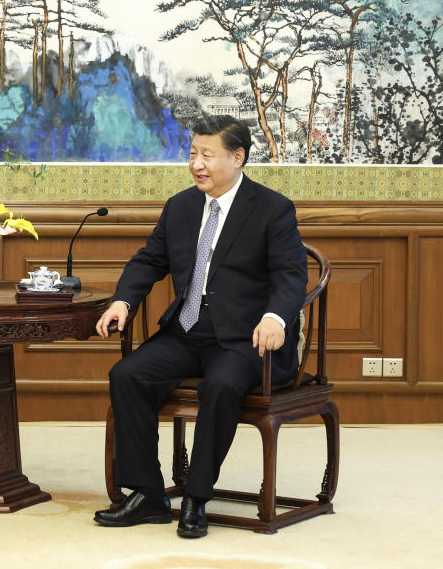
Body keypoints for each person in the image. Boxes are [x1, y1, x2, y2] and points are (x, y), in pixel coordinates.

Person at [93, 115, 307, 539]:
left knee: (222, 385)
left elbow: (290, 274)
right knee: (128, 374)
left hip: (245, 338)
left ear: (237, 157)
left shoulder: (272, 208)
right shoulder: (181, 206)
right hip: (188, 330)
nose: (197, 164)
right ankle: (149, 494)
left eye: (207, 155)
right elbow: (149, 260)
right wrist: (123, 300)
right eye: (193, 154)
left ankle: (196, 495)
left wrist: (275, 317)